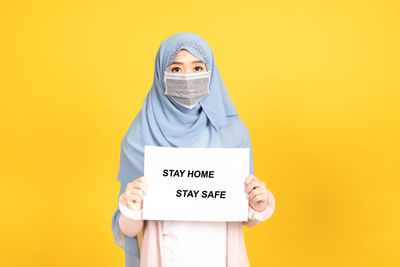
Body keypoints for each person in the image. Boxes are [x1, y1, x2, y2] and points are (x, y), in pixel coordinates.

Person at [111, 32, 275, 267]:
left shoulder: (234, 133)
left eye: (198, 68)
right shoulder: (139, 139)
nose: (187, 76)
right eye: (176, 69)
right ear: (161, 74)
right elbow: (128, 228)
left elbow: (244, 214)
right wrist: (131, 207)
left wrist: (257, 203)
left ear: (211, 73)